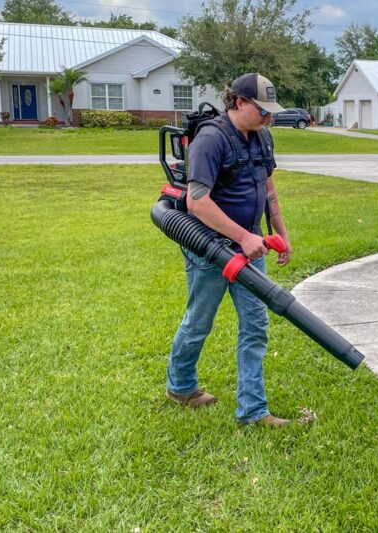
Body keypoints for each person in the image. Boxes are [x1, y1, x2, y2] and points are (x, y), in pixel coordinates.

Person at [165, 73, 292, 428]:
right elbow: (197, 202)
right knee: (199, 322)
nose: (269, 117)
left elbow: (269, 190)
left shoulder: (262, 137)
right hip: (209, 249)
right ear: (237, 102)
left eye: (271, 111)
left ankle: (253, 412)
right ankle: (181, 386)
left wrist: (279, 232)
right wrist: (244, 237)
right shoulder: (210, 139)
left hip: (250, 249)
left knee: (256, 325)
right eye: (262, 110)